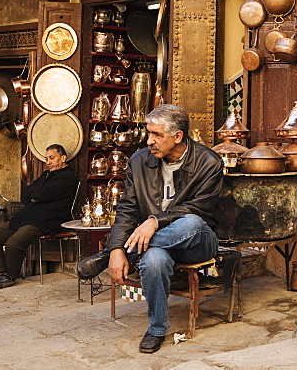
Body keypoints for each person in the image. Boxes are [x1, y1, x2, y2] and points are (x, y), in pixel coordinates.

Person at [76, 104, 223, 354]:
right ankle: (156, 329)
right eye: (149, 133)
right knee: (153, 260)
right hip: (154, 244)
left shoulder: (209, 162)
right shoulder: (139, 161)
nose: (149, 140)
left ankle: (123, 253)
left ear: (178, 136)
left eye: (157, 135)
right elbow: (128, 208)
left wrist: (154, 221)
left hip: (196, 241)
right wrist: (115, 251)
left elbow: (201, 208)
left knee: (191, 221)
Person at [0, 144, 78, 292]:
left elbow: (43, 194)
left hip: (46, 220)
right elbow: (26, 193)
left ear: (63, 158)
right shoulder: (46, 175)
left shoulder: (68, 177)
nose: (48, 162)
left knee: (14, 243)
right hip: (25, 218)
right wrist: (36, 195)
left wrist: (37, 195)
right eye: (46, 159)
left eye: (52, 158)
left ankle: (9, 276)